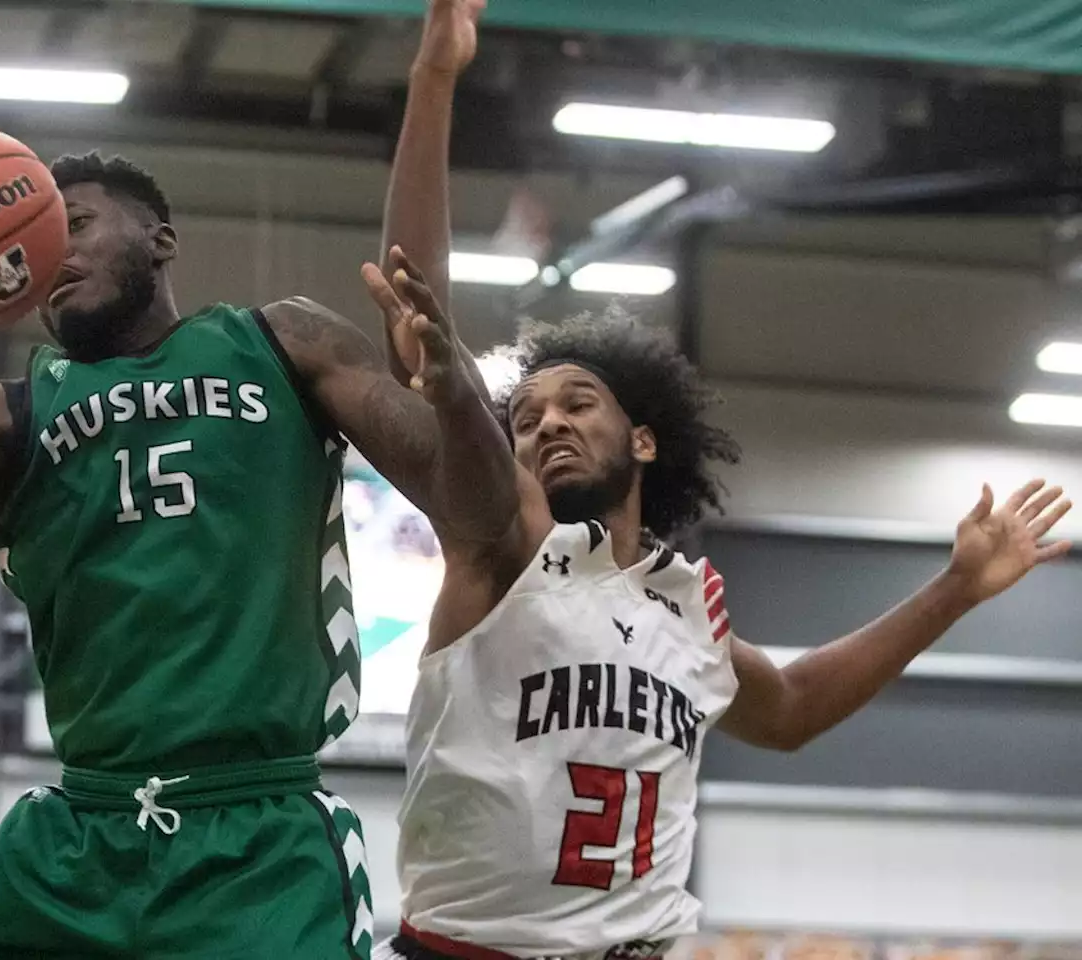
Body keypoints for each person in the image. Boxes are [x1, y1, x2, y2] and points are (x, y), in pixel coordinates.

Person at [366, 4, 1075, 959]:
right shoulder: (497, 548)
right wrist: (435, 77)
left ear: (647, 442)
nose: (547, 424)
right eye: (526, 417)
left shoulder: (681, 610)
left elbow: (788, 710)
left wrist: (952, 588)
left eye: (578, 403)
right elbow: (422, 334)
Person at [0, 147, 491, 959]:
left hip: (255, 838)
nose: (52, 255)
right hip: (73, 842)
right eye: (31, 246)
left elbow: (473, 506)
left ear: (160, 240)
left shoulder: (284, 341)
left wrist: (456, 395)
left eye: (74, 225)